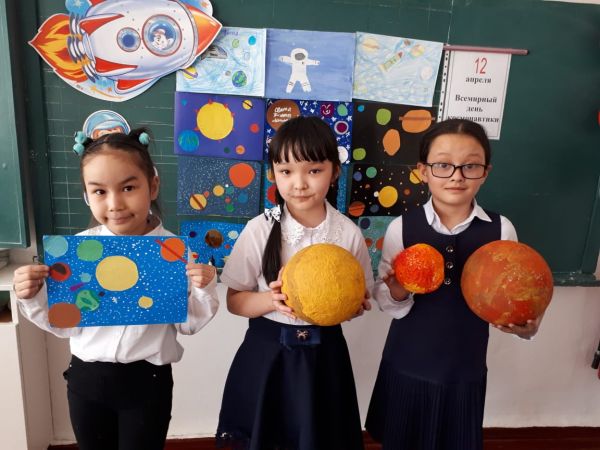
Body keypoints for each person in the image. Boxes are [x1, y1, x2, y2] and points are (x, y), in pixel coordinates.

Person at [12, 128, 219, 450]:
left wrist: (204, 289)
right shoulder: (78, 251)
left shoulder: (174, 252)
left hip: (147, 383)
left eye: (128, 187)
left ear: (152, 185)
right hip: (86, 382)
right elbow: (65, 326)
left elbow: (188, 324)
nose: (115, 204)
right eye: (99, 191)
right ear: (87, 196)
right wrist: (32, 297)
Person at [365, 119, 543, 450]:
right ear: (423, 171)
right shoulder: (402, 228)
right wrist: (399, 291)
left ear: (485, 172)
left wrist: (526, 327)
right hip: (407, 363)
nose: (457, 176)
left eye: (470, 166)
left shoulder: (500, 230)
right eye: (443, 165)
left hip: (464, 369)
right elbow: (389, 305)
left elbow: (516, 297)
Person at [216, 116, 374, 450]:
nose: (299, 183)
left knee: (321, 437)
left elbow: (359, 296)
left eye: (314, 170)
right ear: (273, 173)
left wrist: (354, 306)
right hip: (267, 353)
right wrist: (270, 301)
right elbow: (234, 300)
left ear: (334, 172)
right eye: (286, 171)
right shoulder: (259, 229)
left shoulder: (348, 233)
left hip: (325, 356)